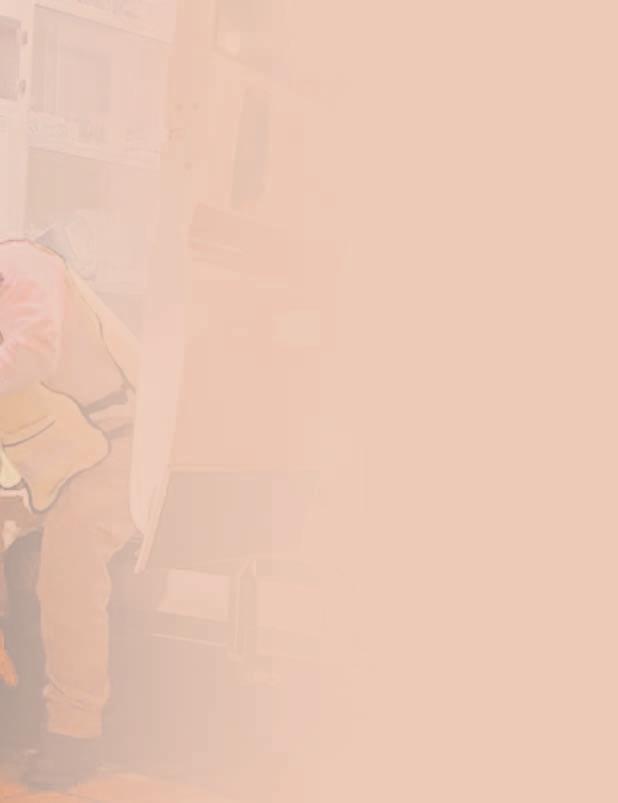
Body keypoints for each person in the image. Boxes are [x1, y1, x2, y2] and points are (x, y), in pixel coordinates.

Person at [0, 237, 138, 789]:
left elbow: (33, 350)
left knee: (68, 570)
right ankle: (18, 708)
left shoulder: (22, 264)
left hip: (117, 445)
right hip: (59, 460)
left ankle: (74, 733)